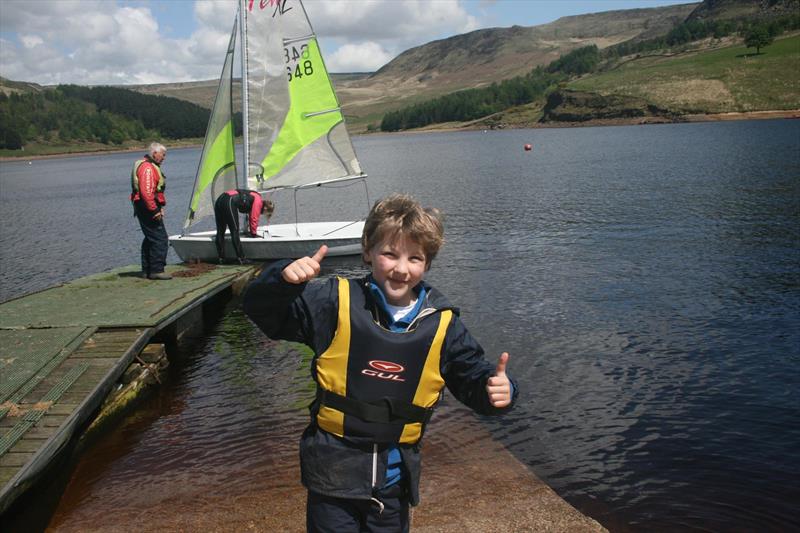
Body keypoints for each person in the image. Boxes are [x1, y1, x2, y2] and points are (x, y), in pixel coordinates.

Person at [243, 193, 517, 533]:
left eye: (415, 258)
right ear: (367, 251)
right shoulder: (331, 302)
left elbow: (472, 378)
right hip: (332, 479)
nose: (401, 269)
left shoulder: (443, 326)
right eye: (389, 254)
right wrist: (280, 278)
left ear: (427, 263)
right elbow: (261, 310)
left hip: (393, 485)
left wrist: (498, 391)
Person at [131, 142, 171, 280]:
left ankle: (147, 270)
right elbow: (147, 193)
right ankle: (156, 270)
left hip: (145, 206)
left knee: (150, 238)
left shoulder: (147, 165)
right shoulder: (147, 168)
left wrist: (159, 208)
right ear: (155, 154)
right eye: (163, 154)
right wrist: (154, 210)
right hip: (147, 207)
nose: (164, 158)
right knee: (160, 238)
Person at [214, 189, 274, 263]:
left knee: (220, 231)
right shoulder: (258, 201)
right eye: (266, 213)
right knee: (234, 231)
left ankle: (221, 258)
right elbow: (253, 218)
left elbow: (250, 215)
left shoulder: (254, 197)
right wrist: (253, 234)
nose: (263, 214)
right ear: (265, 208)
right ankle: (242, 259)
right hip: (229, 200)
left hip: (220, 199)